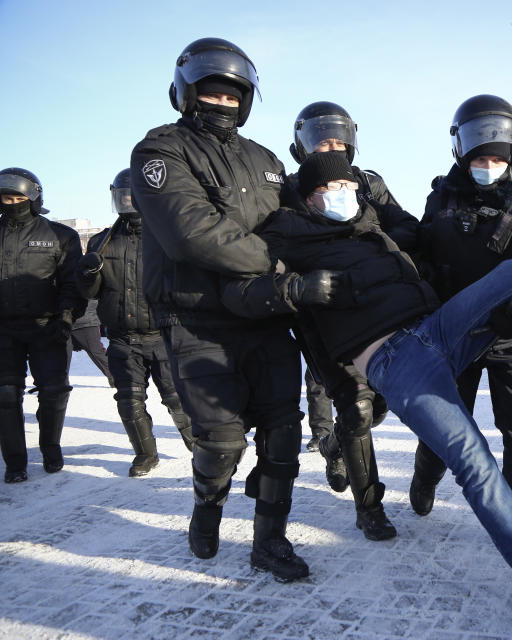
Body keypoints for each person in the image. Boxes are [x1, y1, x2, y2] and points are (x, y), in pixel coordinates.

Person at [221, 151, 512, 639]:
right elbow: (241, 290)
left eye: (347, 188)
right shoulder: (285, 237)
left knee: (511, 276)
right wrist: (298, 287)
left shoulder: (369, 226)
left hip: (435, 329)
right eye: (328, 192)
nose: (342, 197)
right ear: (308, 199)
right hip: (395, 362)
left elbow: (421, 235)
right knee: (474, 461)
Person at [129, 38, 309, 582]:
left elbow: (299, 226)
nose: (222, 103)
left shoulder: (268, 161)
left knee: (283, 436)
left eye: (234, 96)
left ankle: (270, 542)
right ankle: (207, 505)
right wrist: (277, 265)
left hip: (268, 318)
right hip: (199, 322)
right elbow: (193, 233)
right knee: (224, 442)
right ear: (186, 94)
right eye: (211, 93)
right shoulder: (159, 152)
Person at [410, 94, 512, 521]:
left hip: (509, 332)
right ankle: (425, 478)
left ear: (511, 155)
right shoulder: (441, 200)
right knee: (446, 426)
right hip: (455, 334)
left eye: (498, 157)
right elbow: (421, 256)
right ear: (462, 152)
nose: (488, 165)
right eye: (480, 156)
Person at [285, 100, 420, 540]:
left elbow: (406, 227)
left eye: (339, 140)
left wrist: (375, 249)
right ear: (302, 145)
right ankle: (370, 508)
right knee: (356, 405)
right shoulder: (288, 190)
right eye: (323, 140)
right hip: (324, 314)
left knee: (378, 403)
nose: (333, 147)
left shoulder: (369, 185)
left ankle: (333, 443)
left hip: (375, 307)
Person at [77, 169, 195, 477]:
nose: (128, 201)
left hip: (162, 334)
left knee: (176, 396)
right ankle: (145, 454)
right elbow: (91, 293)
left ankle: (198, 444)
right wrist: (87, 275)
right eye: (123, 195)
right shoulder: (102, 242)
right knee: (129, 400)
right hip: (122, 338)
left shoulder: (166, 236)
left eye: (133, 195)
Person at [0, 167, 84, 483]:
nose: (12, 202)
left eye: (18, 197)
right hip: (4, 331)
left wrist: (65, 316)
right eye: (6, 197)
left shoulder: (61, 236)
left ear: (34, 198)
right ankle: (15, 462)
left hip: (48, 327)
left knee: (53, 392)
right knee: (6, 395)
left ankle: (51, 448)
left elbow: (72, 283)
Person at [69, 299, 115, 386]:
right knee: (60, 355)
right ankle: (55, 384)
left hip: (87, 321)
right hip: (63, 321)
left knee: (96, 351)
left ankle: (116, 377)